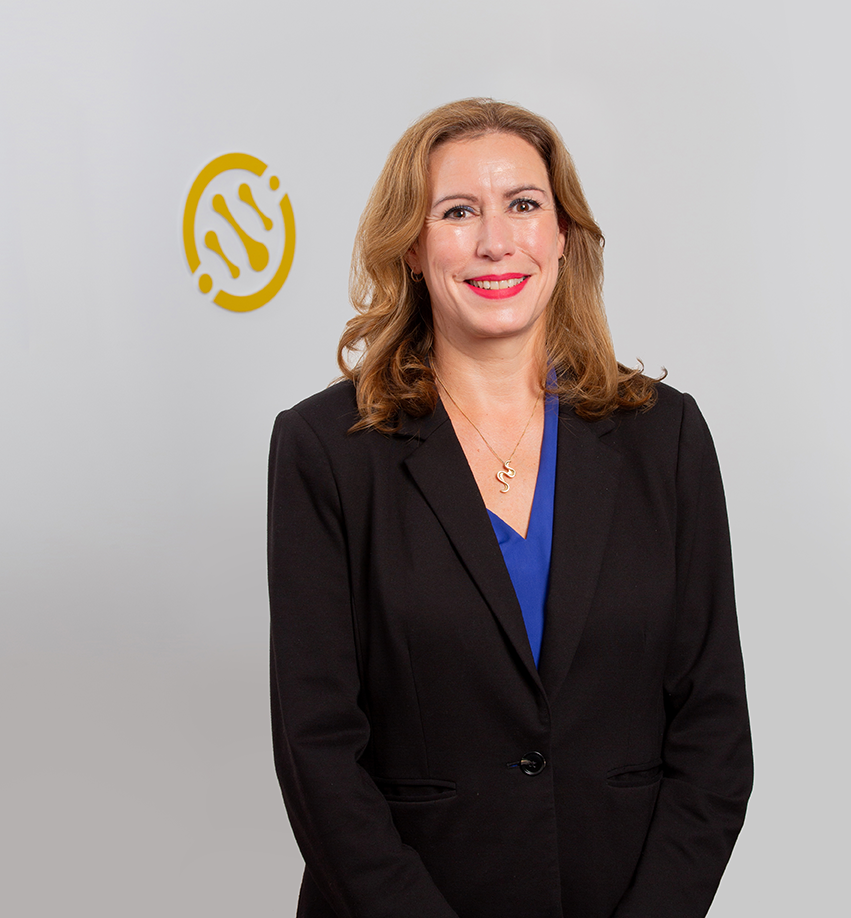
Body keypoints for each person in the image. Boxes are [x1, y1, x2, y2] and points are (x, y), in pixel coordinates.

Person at [267, 98, 752, 918]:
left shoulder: (665, 438)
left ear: (562, 233)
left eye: (524, 204)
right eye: (458, 212)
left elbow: (714, 734)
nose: (496, 240)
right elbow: (317, 753)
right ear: (412, 247)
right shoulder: (327, 449)